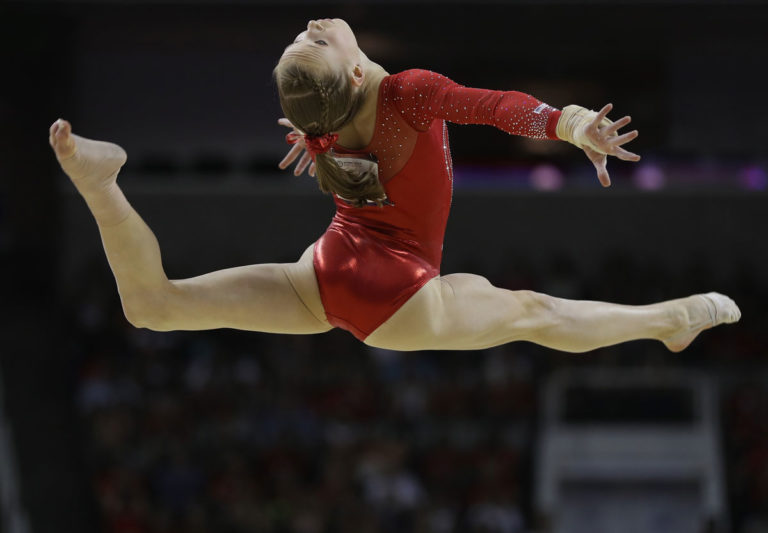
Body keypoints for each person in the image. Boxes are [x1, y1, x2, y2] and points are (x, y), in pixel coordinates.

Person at [49, 18, 740, 353]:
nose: (314, 25)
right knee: (534, 313)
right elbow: (495, 106)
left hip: (327, 274)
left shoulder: (327, 119)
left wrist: (313, 135)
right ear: (353, 75)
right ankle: (668, 322)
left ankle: (101, 186)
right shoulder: (405, 94)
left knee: (154, 305)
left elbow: (335, 131)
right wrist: (572, 122)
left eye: (302, 35)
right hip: (397, 294)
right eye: (315, 41)